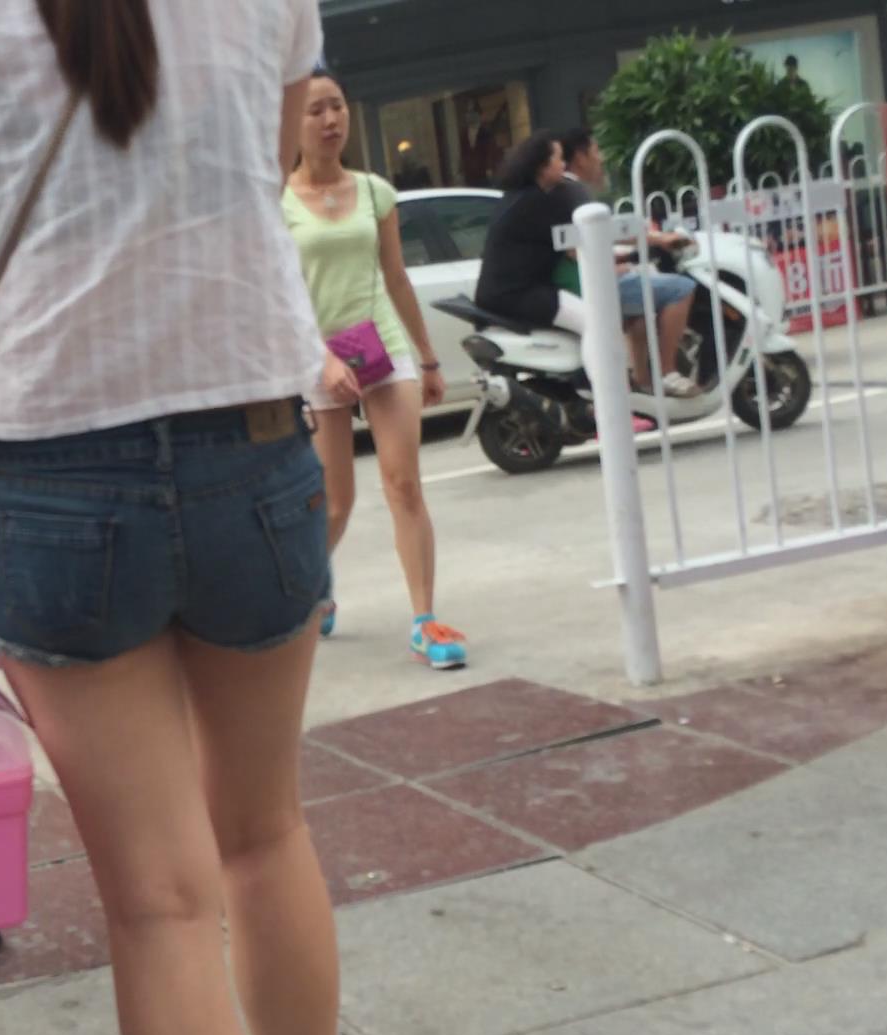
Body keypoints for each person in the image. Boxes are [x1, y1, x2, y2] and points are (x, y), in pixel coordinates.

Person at [0, 0, 340, 1035]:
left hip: (54, 474)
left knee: (161, 905)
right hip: (252, 437)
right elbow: (256, 170)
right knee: (266, 835)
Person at [287, 68, 466, 667]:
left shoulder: (374, 192)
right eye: (316, 110)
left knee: (403, 484)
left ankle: (425, 622)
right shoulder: (278, 203)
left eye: (337, 106)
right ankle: (315, 588)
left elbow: (395, 277)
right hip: (318, 355)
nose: (331, 119)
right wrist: (322, 358)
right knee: (334, 502)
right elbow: (281, 298)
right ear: (293, 122)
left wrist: (428, 357)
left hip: (382, 346)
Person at [560, 129, 700, 398]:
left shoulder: (566, 191)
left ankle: (643, 381)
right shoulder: (572, 191)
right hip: (587, 285)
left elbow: (597, 237)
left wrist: (621, 256)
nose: (601, 158)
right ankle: (667, 372)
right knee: (681, 288)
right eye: (596, 151)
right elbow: (575, 248)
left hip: (580, 281)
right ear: (580, 157)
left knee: (639, 310)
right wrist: (657, 240)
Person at [476, 132, 588, 335]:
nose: (564, 165)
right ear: (542, 166)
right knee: (594, 322)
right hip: (519, 295)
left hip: (496, 295)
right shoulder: (539, 203)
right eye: (559, 159)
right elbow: (576, 248)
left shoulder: (516, 197)